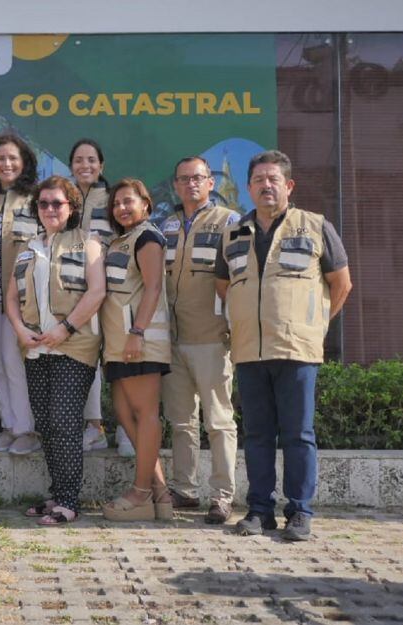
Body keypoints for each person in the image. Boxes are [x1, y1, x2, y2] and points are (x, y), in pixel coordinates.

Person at [216, 150, 352, 541]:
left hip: (296, 351)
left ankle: (300, 511)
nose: (266, 185)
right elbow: (223, 287)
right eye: (258, 180)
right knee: (257, 435)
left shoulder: (315, 225)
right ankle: (259, 511)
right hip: (249, 351)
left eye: (273, 179)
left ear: (288, 185)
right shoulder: (233, 234)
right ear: (248, 188)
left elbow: (341, 283)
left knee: (298, 434)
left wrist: (315, 324)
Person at [6, 176, 105, 525]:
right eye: (43, 203)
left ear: (72, 207)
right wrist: (19, 330)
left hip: (74, 347)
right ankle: (56, 491)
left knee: (64, 422)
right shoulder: (28, 247)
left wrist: (65, 329)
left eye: (57, 203)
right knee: (46, 424)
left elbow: (96, 292)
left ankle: (68, 499)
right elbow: (11, 297)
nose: (49, 209)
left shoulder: (88, 243)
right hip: (35, 349)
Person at [159, 156, 241, 524]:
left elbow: (239, 280)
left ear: (211, 183)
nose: (191, 184)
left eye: (198, 178)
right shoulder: (167, 225)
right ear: (176, 185)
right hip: (173, 340)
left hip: (212, 338)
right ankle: (185, 490)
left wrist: (234, 330)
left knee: (219, 421)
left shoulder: (229, 222)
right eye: (184, 179)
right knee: (180, 422)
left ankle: (222, 496)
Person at [98, 179, 174, 521]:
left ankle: (141, 493)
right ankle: (160, 493)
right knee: (124, 411)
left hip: (139, 341)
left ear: (146, 203)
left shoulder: (147, 236)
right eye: (116, 204)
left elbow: (154, 286)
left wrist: (137, 332)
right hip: (117, 343)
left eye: (129, 202)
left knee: (144, 414)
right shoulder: (122, 240)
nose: (122, 209)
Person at [0, 135, 42, 456]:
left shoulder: (36, 199)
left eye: (13, 158)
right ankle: (8, 427)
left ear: (24, 161)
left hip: (22, 301)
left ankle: (27, 430)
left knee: (16, 364)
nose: (6, 164)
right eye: (0, 158)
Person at [68, 139, 133, 456]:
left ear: (101, 165)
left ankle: (127, 428)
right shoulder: (63, 199)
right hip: (76, 293)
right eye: (78, 160)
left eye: (91, 160)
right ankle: (94, 428)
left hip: (115, 289)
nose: (85, 165)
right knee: (87, 359)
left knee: (118, 356)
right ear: (71, 166)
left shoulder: (112, 199)